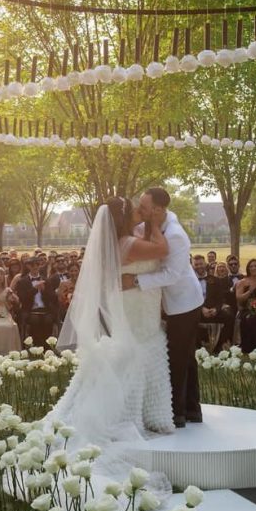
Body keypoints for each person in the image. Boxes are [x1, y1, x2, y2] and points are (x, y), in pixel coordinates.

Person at [51, 195, 176, 455]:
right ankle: (132, 414)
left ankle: (146, 411)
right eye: (135, 210)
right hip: (136, 306)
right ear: (124, 218)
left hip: (139, 302)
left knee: (136, 351)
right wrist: (154, 221)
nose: (140, 211)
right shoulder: (128, 244)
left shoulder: (124, 242)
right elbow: (163, 250)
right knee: (138, 352)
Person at [123, 187, 204, 428]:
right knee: (187, 356)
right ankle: (192, 409)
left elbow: (170, 274)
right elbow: (134, 233)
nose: (141, 210)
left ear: (158, 210)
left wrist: (136, 281)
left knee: (178, 357)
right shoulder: (154, 224)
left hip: (185, 302)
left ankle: (177, 413)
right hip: (172, 302)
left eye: (144, 207)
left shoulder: (176, 234)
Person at [193, 255, 235, 350]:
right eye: (196, 264)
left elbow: (220, 299)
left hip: (213, 310)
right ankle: (198, 346)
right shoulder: (190, 281)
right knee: (189, 318)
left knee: (229, 316)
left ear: (205, 264)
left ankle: (221, 344)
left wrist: (216, 309)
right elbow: (188, 298)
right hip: (196, 309)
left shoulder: (215, 280)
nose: (199, 266)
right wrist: (201, 309)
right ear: (193, 265)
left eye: (201, 264)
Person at [14, 257, 54, 347]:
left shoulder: (46, 280)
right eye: (33, 265)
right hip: (30, 309)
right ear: (28, 266)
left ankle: (47, 346)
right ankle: (36, 346)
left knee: (48, 320)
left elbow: (52, 297)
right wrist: (34, 289)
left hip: (45, 309)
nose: (35, 267)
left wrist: (44, 291)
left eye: (37, 264)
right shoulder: (22, 281)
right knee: (35, 320)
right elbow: (22, 298)